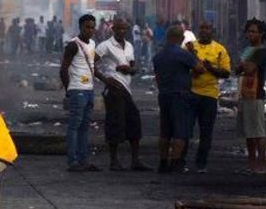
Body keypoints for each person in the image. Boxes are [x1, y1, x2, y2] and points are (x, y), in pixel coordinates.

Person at [95, 17, 149, 171]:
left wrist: (129, 70)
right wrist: (105, 79)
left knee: (134, 121)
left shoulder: (129, 46)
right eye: (118, 28)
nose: (121, 31)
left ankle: (135, 160)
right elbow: (90, 62)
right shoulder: (105, 46)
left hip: (127, 89)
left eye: (124, 28)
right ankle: (113, 161)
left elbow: (133, 67)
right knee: (115, 123)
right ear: (113, 29)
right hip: (114, 89)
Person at [152, 25, 205, 173]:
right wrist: (193, 53)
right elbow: (200, 69)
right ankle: (175, 163)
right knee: (180, 131)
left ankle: (163, 163)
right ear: (181, 38)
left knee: (165, 131)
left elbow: (157, 76)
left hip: (164, 95)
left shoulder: (158, 56)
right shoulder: (183, 54)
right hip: (180, 95)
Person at [185, 22, 232, 173]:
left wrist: (210, 68)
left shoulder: (219, 49)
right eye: (201, 28)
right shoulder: (189, 47)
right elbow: (181, 66)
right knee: (186, 129)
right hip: (191, 93)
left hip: (210, 95)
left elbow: (226, 72)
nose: (204, 31)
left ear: (213, 31)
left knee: (206, 132)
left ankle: (201, 164)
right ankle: (181, 161)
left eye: (207, 29)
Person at [61, 14, 100, 172]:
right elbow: (63, 69)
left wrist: (104, 79)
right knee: (74, 126)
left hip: (89, 90)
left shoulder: (92, 44)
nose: (90, 30)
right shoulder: (73, 45)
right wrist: (68, 90)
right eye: (87, 27)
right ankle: (73, 161)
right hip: (77, 91)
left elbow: (92, 65)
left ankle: (83, 160)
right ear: (81, 27)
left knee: (84, 127)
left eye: (92, 27)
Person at [235, 18, 266, 174]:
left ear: (261, 34)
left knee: (258, 132)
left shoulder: (261, 51)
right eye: (248, 31)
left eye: (253, 31)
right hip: (245, 94)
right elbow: (238, 69)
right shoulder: (248, 50)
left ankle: (261, 164)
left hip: (256, 95)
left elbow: (248, 68)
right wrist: (243, 66)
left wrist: (243, 66)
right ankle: (251, 163)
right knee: (249, 133)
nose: (250, 34)